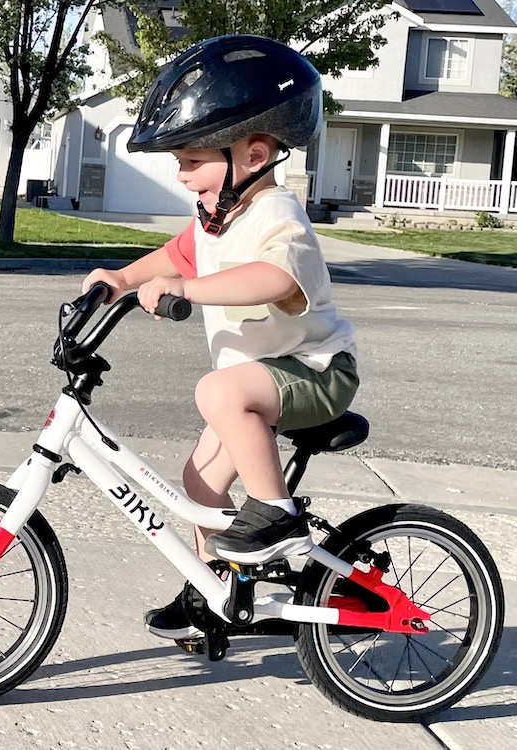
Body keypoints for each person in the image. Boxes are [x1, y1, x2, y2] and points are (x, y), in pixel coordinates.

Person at [82, 35, 358, 640]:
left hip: (316, 370)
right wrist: (120, 279)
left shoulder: (278, 216)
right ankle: (214, 592)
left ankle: (278, 515)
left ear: (253, 154)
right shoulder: (214, 217)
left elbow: (273, 278)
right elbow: (175, 254)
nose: (183, 178)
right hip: (263, 378)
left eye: (191, 161)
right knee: (199, 485)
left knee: (217, 392)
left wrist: (186, 289)